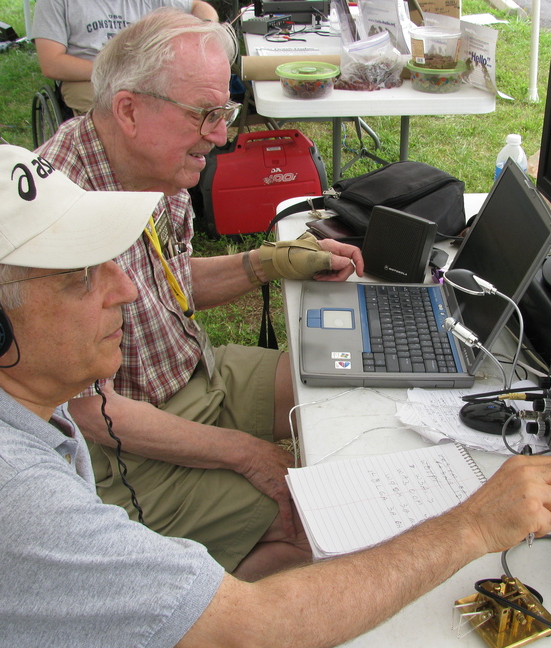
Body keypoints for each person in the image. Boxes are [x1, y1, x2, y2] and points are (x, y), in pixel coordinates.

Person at [0, 144, 551, 646]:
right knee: (310, 533)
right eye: (82, 278)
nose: (127, 290)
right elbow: (249, 626)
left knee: (322, 370)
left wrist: (269, 264)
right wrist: (473, 523)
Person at [36, 8, 366, 580]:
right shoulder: (58, 213)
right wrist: (242, 451)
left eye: (224, 111)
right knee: (310, 528)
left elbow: (173, 277)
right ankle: (198, 614)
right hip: (129, 442)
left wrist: (269, 262)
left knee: (345, 378)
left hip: (196, 375)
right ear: (130, 110)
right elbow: (91, 411)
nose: (220, 135)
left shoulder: (153, 162)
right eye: (205, 115)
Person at [31, 0, 220, 113]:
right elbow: (52, 63)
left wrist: (204, 28)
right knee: (118, 119)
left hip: (147, 72)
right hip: (90, 77)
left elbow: (199, 6)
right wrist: (117, 70)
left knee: (185, 108)